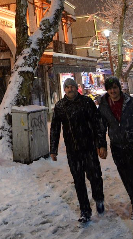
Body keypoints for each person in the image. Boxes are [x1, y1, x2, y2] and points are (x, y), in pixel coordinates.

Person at [97, 77, 133, 238]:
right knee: (127, 182)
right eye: (110, 89)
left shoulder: (130, 102)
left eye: (115, 88)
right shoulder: (103, 105)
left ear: (119, 88)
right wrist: (101, 144)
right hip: (117, 149)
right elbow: (100, 127)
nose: (113, 91)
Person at [50, 78, 106, 223]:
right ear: (64, 89)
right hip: (72, 151)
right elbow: (55, 128)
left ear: (77, 88)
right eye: (67, 87)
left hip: (88, 148)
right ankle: (85, 211)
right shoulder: (60, 106)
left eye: (72, 87)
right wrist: (53, 149)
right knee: (78, 181)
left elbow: (97, 123)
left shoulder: (86, 102)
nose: (70, 89)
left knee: (95, 176)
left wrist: (100, 143)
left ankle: (99, 198)